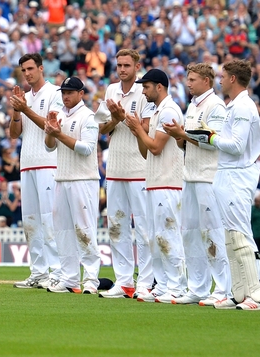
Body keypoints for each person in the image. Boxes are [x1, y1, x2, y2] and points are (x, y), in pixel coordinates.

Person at [185, 59, 260, 311]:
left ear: (233, 78)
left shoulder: (243, 106)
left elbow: (236, 146)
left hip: (237, 173)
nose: (219, 80)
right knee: (229, 235)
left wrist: (209, 136)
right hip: (225, 172)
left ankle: (256, 295)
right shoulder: (234, 105)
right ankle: (239, 292)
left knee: (240, 235)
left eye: (222, 76)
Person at [161, 63, 232, 305]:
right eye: (188, 79)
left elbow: (216, 140)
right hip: (189, 174)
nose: (188, 83)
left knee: (212, 232)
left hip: (208, 176)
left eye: (192, 79)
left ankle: (224, 290)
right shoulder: (192, 106)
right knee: (190, 234)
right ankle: (198, 287)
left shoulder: (216, 106)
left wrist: (183, 135)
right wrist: (180, 138)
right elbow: (189, 141)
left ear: (206, 81)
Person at [95, 49, 153, 299]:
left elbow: (147, 127)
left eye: (127, 65)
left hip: (140, 167)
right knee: (117, 226)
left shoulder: (146, 91)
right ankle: (124, 281)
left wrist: (122, 118)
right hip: (115, 167)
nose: (122, 69)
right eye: (119, 65)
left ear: (137, 66)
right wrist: (118, 119)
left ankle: (146, 282)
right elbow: (101, 127)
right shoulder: (110, 90)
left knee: (143, 227)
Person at [125, 69, 187, 303]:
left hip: (168, 182)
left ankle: (177, 286)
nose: (143, 90)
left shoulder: (169, 110)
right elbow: (146, 152)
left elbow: (156, 148)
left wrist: (139, 129)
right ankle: (162, 284)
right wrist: (136, 132)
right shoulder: (156, 111)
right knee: (155, 236)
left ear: (159, 86)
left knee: (168, 235)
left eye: (146, 86)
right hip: (154, 180)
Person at [7, 53, 64, 289]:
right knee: (30, 221)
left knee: (50, 220)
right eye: (24, 70)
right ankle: (39, 271)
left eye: (31, 68)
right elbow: (13, 133)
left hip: (49, 161)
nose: (27, 73)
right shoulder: (24, 97)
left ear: (41, 68)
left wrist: (26, 108)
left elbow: (53, 126)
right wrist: (17, 111)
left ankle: (58, 272)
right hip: (27, 162)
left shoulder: (55, 93)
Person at [43, 77, 101, 294]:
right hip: (62, 178)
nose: (65, 96)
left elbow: (86, 149)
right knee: (63, 231)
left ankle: (91, 280)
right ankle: (70, 279)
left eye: (70, 92)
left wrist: (59, 133)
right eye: (63, 92)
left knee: (84, 229)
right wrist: (50, 132)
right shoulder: (59, 116)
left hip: (83, 180)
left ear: (81, 94)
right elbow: (49, 148)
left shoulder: (89, 117)